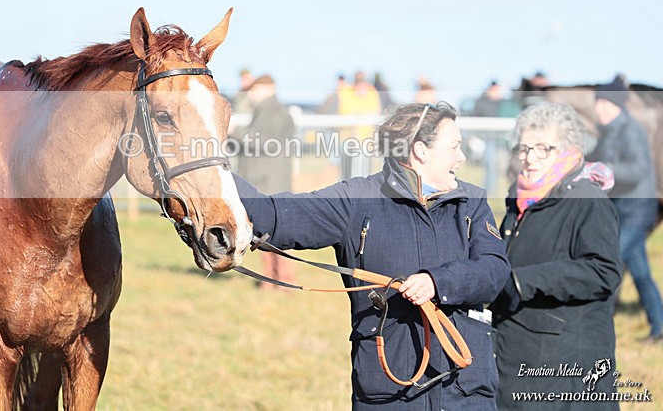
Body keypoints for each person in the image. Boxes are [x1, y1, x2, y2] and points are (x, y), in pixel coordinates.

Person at [234, 101, 510, 409]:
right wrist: (210, 172)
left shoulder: (472, 202)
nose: (461, 157)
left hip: (464, 391)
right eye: (454, 147)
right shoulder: (356, 200)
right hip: (389, 391)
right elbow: (275, 215)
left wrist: (437, 282)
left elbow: (494, 270)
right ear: (420, 150)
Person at [491, 102, 622, 409]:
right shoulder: (521, 199)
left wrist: (524, 281)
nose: (529, 158)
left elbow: (603, 271)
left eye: (543, 148)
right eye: (524, 148)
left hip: (563, 365)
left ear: (567, 151)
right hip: (520, 351)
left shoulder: (587, 199)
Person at [586, 77, 663, 342]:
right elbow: (592, 160)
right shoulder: (609, 131)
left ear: (615, 105)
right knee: (641, 273)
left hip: (636, 211)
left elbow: (637, 170)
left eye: (602, 103)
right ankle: (660, 327)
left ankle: (596, 326)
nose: (598, 109)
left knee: (609, 264)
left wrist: (605, 171)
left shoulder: (631, 131)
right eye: (597, 103)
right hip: (622, 210)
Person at [231, 75, 297, 289]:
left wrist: (235, 132)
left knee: (279, 234)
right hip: (265, 181)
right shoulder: (265, 111)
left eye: (254, 90)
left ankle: (285, 280)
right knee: (264, 234)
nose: (251, 95)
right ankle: (270, 278)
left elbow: (266, 143)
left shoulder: (277, 113)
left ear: (269, 88)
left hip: (271, 183)